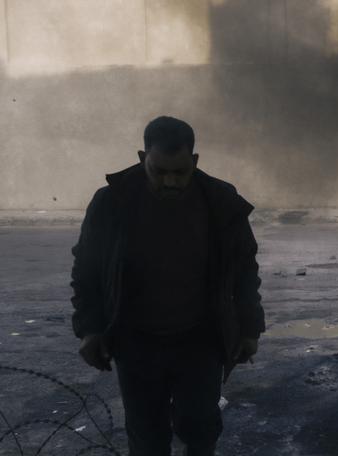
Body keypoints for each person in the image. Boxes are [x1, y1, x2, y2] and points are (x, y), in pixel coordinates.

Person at [70, 116, 265, 456]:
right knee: (146, 439)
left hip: (200, 340)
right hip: (136, 341)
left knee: (201, 431)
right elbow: (86, 271)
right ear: (141, 157)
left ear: (194, 161)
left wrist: (249, 328)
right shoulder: (111, 203)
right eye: (159, 171)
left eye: (179, 172)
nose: (171, 181)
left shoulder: (219, 201)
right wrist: (90, 329)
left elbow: (244, 269)